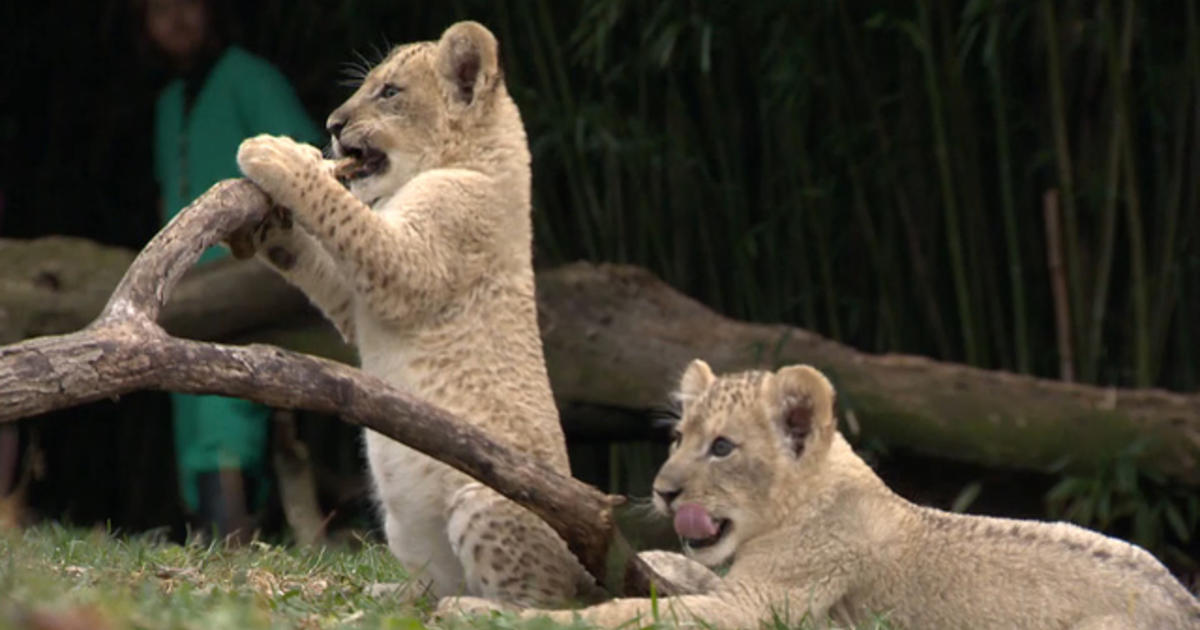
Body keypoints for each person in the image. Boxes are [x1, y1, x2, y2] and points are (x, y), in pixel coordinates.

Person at [142, 0, 322, 541]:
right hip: (180, 284)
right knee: (190, 411)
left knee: (226, 413)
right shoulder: (170, 102)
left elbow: (304, 161)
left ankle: (234, 543)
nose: (175, 18)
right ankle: (210, 539)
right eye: (158, 9)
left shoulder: (250, 78)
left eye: (187, 4)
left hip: (248, 279)